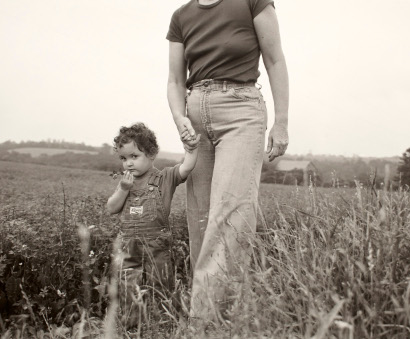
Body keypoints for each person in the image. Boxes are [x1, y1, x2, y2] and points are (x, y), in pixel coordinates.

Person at [166, 0, 289, 325]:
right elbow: (176, 81)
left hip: (241, 111)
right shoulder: (181, 16)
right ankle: (223, 316)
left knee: (232, 213)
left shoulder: (253, 1)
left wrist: (282, 121)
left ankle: (202, 321)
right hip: (196, 116)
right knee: (201, 219)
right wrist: (179, 118)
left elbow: (275, 59)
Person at [106, 122, 200, 327]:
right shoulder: (126, 182)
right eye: (123, 158)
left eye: (134, 156)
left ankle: (163, 322)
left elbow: (186, 167)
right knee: (127, 283)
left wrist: (191, 149)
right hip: (129, 244)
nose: (128, 163)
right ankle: (132, 325)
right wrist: (123, 189)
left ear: (151, 153)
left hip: (156, 244)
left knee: (161, 282)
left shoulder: (164, 178)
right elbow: (111, 208)